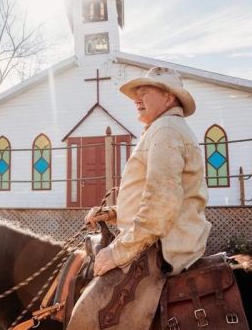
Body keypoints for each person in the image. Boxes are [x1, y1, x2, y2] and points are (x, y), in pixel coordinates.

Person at [67, 66, 211, 330]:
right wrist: (113, 212)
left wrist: (117, 253)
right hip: (162, 234)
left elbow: (160, 206)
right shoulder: (164, 128)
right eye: (136, 94)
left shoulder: (165, 130)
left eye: (144, 92)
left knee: (88, 314)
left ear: (169, 97)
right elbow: (157, 195)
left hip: (161, 246)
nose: (136, 99)